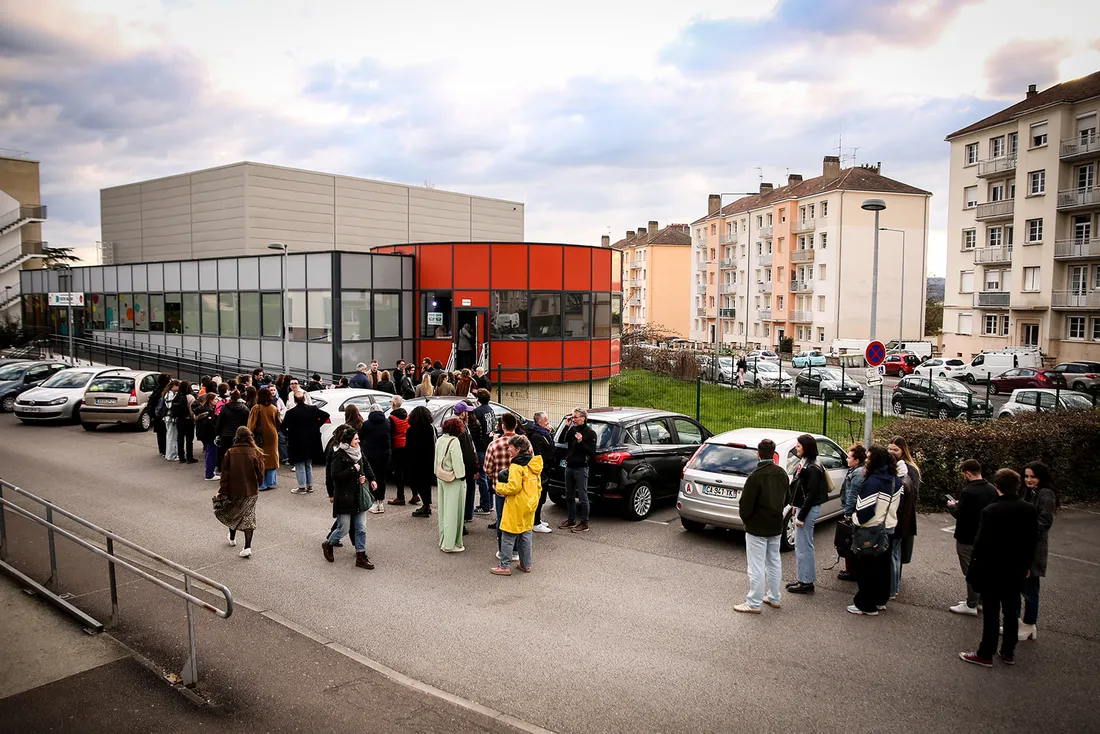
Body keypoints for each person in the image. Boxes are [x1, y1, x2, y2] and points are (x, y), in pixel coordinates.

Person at [959, 469, 1038, 668]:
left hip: (992, 569)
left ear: (997, 487)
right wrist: (1028, 565)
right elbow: (1031, 541)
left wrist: (975, 569)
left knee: (992, 612)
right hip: (1016, 568)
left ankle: (986, 653)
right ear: (1018, 486)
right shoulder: (1028, 509)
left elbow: (982, 543)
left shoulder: (991, 510)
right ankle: (1008, 652)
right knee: (1012, 611)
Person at [733, 439, 789, 614]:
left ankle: (754, 603)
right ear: (773, 454)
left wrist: (746, 519)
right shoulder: (781, 473)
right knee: (774, 561)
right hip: (775, 524)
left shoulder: (755, 476)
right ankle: (774, 596)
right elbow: (787, 498)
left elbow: (745, 504)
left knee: (756, 565)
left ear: (758, 453)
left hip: (757, 526)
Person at [847, 446, 903, 615]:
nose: (866, 460)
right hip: (889, 528)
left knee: (866, 569)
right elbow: (901, 505)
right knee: (883, 567)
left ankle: (865, 605)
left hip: (871, 530)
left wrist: (855, 519)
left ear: (876, 461)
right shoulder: (896, 480)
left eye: (869, 458)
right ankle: (880, 600)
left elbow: (865, 510)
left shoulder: (872, 482)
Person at [946, 459, 998, 616]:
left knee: (969, 570)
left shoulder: (968, 491)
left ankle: (971, 603)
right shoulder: (991, 489)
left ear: (967, 473)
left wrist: (952, 506)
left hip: (966, 536)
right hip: (984, 536)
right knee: (982, 568)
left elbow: (961, 514)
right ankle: (980, 601)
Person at [321, 425, 377, 570]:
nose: (358, 441)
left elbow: (366, 465)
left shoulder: (358, 452)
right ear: (348, 441)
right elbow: (335, 476)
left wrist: (370, 479)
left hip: (358, 494)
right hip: (344, 496)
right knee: (343, 528)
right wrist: (353, 470)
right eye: (356, 439)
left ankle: (361, 555)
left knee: (361, 528)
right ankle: (328, 544)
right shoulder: (339, 454)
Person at [491, 435, 542, 575]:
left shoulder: (516, 466)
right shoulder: (533, 463)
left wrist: (499, 487)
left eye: (510, 449)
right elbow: (538, 485)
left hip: (517, 504)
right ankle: (526, 564)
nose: (509, 451)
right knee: (525, 534)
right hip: (530, 503)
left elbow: (514, 487)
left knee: (508, 535)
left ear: (518, 449)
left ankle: (504, 566)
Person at [1018, 462, 1057, 640]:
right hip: (1022, 545)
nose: (1029, 480)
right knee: (1020, 586)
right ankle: (1021, 622)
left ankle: (1029, 625)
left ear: (1041, 477)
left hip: (1034, 548)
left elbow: (1044, 522)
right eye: (1026, 476)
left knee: (1030, 588)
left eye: (1033, 476)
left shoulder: (1046, 494)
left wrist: (1024, 533)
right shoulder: (1028, 492)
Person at [787, 434, 828, 594]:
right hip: (804, 507)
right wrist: (796, 506)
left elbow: (810, 494)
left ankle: (806, 582)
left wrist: (801, 516)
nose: (796, 448)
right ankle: (802, 578)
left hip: (808, 510)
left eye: (798, 446)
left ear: (806, 447)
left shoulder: (812, 467)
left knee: (804, 547)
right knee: (801, 545)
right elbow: (801, 489)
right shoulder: (807, 462)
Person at [215, 426, 265, 558]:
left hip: (233, 489)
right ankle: (247, 547)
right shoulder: (256, 452)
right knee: (248, 517)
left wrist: (222, 491)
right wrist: (258, 484)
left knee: (233, 512)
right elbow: (260, 473)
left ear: (236, 437)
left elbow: (224, 475)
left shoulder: (230, 452)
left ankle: (232, 537)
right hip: (251, 490)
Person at [887, 436, 920, 599]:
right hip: (898, 514)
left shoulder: (910, 470)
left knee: (896, 551)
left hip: (903, 516)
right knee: (895, 551)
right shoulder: (892, 465)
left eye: (895, 449)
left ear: (903, 450)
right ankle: (894, 582)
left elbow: (912, 495)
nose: (892, 452)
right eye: (890, 448)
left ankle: (894, 584)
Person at [558, 408, 596, 533]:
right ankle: (571, 519)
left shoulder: (590, 433)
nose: (573, 419)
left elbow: (591, 452)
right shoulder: (572, 429)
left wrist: (580, 442)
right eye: (572, 417)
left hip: (581, 467)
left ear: (583, 418)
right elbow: (562, 440)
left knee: (583, 496)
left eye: (575, 417)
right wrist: (566, 426)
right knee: (569, 494)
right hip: (570, 466)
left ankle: (584, 523)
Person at [283, 392, 328, 494]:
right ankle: (310, 485)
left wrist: (289, 433)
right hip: (311, 440)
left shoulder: (291, 412)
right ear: (304, 399)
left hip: (297, 441)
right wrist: (316, 425)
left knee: (300, 464)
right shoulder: (313, 409)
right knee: (308, 464)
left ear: (294, 400)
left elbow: (283, 427)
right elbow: (325, 415)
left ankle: (302, 486)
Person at [435, 418, 468, 553]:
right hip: (453, 479)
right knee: (453, 512)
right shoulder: (454, 442)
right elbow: (458, 463)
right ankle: (450, 544)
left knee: (443, 510)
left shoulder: (440, 439)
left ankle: (444, 540)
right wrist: (462, 476)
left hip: (441, 477)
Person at [838, 443, 868, 581]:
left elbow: (852, 494)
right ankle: (853, 570)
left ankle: (852, 572)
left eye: (849, 457)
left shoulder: (857, 473)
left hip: (854, 512)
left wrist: (847, 513)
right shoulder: (856, 470)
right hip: (854, 510)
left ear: (856, 460)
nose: (846, 459)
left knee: (850, 541)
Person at [453, 402, 482, 528]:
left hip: (465, 466)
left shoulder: (463, 426)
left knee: (469, 490)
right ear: (462, 413)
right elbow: (467, 451)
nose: (469, 414)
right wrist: (474, 468)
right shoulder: (461, 429)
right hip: (466, 467)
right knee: (467, 490)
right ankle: (464, 516)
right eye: (467, 412)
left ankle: (467, 515)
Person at [247, 387, 281, 491]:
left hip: (260, 436)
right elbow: (278, 423)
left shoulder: (256, 408)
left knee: (260, 457)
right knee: (272, 456)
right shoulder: (273, 408)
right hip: (273, 435)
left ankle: (262, 483)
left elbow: (251, 425)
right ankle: (271, 482)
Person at [527, 411, 555, 534]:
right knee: (539, 496)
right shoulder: (536, 436)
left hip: (545, 468)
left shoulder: (544, 433)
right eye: (546, 420)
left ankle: (537, 519)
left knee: (542, 496)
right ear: (539, 421)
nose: (548, 422)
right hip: (540, 471)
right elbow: (539, 455)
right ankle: (536, 523)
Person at [359, 403, 391, 513]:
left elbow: (362, 437)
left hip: (371, 454)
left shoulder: (367, 424)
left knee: (372, 478)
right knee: (381, 478)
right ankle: (381, 502)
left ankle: (374, 502)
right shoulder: (387, 422)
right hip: (385, 454)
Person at [406, 406, 437, 518]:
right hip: (429, 459)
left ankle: (425, 505)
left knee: (418, 483)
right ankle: (427, 504)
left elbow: (409, 448)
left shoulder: (411, 430)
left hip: (416, 461)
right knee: (426, 484)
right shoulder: (430, 428)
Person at [471, 390, 495, 515]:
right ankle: (490, 503)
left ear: (478, 400)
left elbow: (476, 430)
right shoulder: (490, 410)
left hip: (480, 447)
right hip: (489, 445)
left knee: (482, 477)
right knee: (488, 477)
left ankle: (485, 505)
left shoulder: (477, 412)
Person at [387, 396, 413, 504]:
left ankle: (400, 496)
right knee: (408, 470)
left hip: (397, 446)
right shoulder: (406, 416)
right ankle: (415, 494)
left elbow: (390, 434)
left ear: (393, 404)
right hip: (406, 445)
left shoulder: (392, 418)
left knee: (398, 472)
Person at [215, 390, 250, 472]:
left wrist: (217, 433)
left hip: (226, 433)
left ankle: (224, 468)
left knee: (225, 453)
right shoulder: (244, 408)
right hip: (239, 434)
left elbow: (219, 422)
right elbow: (248, 421)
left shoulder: (225, 407)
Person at [194, 392, 219, 481]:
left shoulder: (202, 409)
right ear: (210, 400)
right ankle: (209, 474)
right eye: (215, 399)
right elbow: (209, 425)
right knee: (211, 453)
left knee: (209, 452)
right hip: (209, 435)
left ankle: (210, 471)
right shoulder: (209, 411)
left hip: (203, 434)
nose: (217, 401)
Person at [171, 380, 198, 464]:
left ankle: (181, 457)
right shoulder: (190, 397)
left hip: (179, 419)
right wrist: (194, 418)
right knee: (189, 440)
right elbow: (192, 410)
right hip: (188, 420)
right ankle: (190, 457)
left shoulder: (177, 396)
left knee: (180, 438)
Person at [150, 373, 171, 456]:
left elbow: (151, 403)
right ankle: (166, 450)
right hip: (163, 415)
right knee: (166, 433)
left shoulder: (156, 390)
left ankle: (162, 450)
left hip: (157, 416)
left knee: (160, 434)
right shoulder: (165, 392)